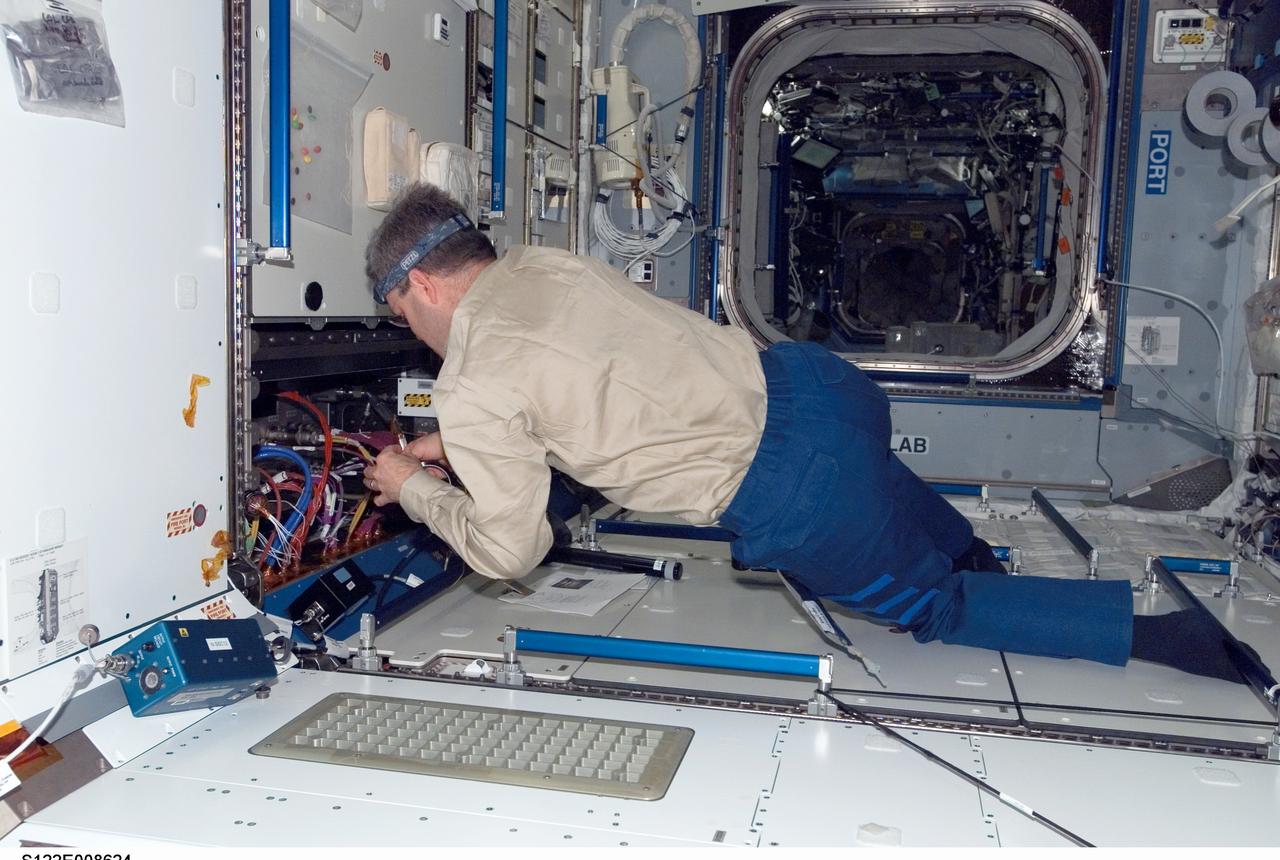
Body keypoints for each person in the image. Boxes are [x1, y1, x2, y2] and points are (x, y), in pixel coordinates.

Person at [361, 183, 1246, 683]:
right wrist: (460, 449)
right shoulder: (542, 265)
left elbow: (514, 549)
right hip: (815, 388)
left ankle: (1162, 639)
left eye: (403, 314)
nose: (415, 334)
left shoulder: (471, 379)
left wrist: (414, 487)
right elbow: (588, 388)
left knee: (928, 613)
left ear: (423, 287)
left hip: (793, 487)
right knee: (888, 490)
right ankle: (973, 553)